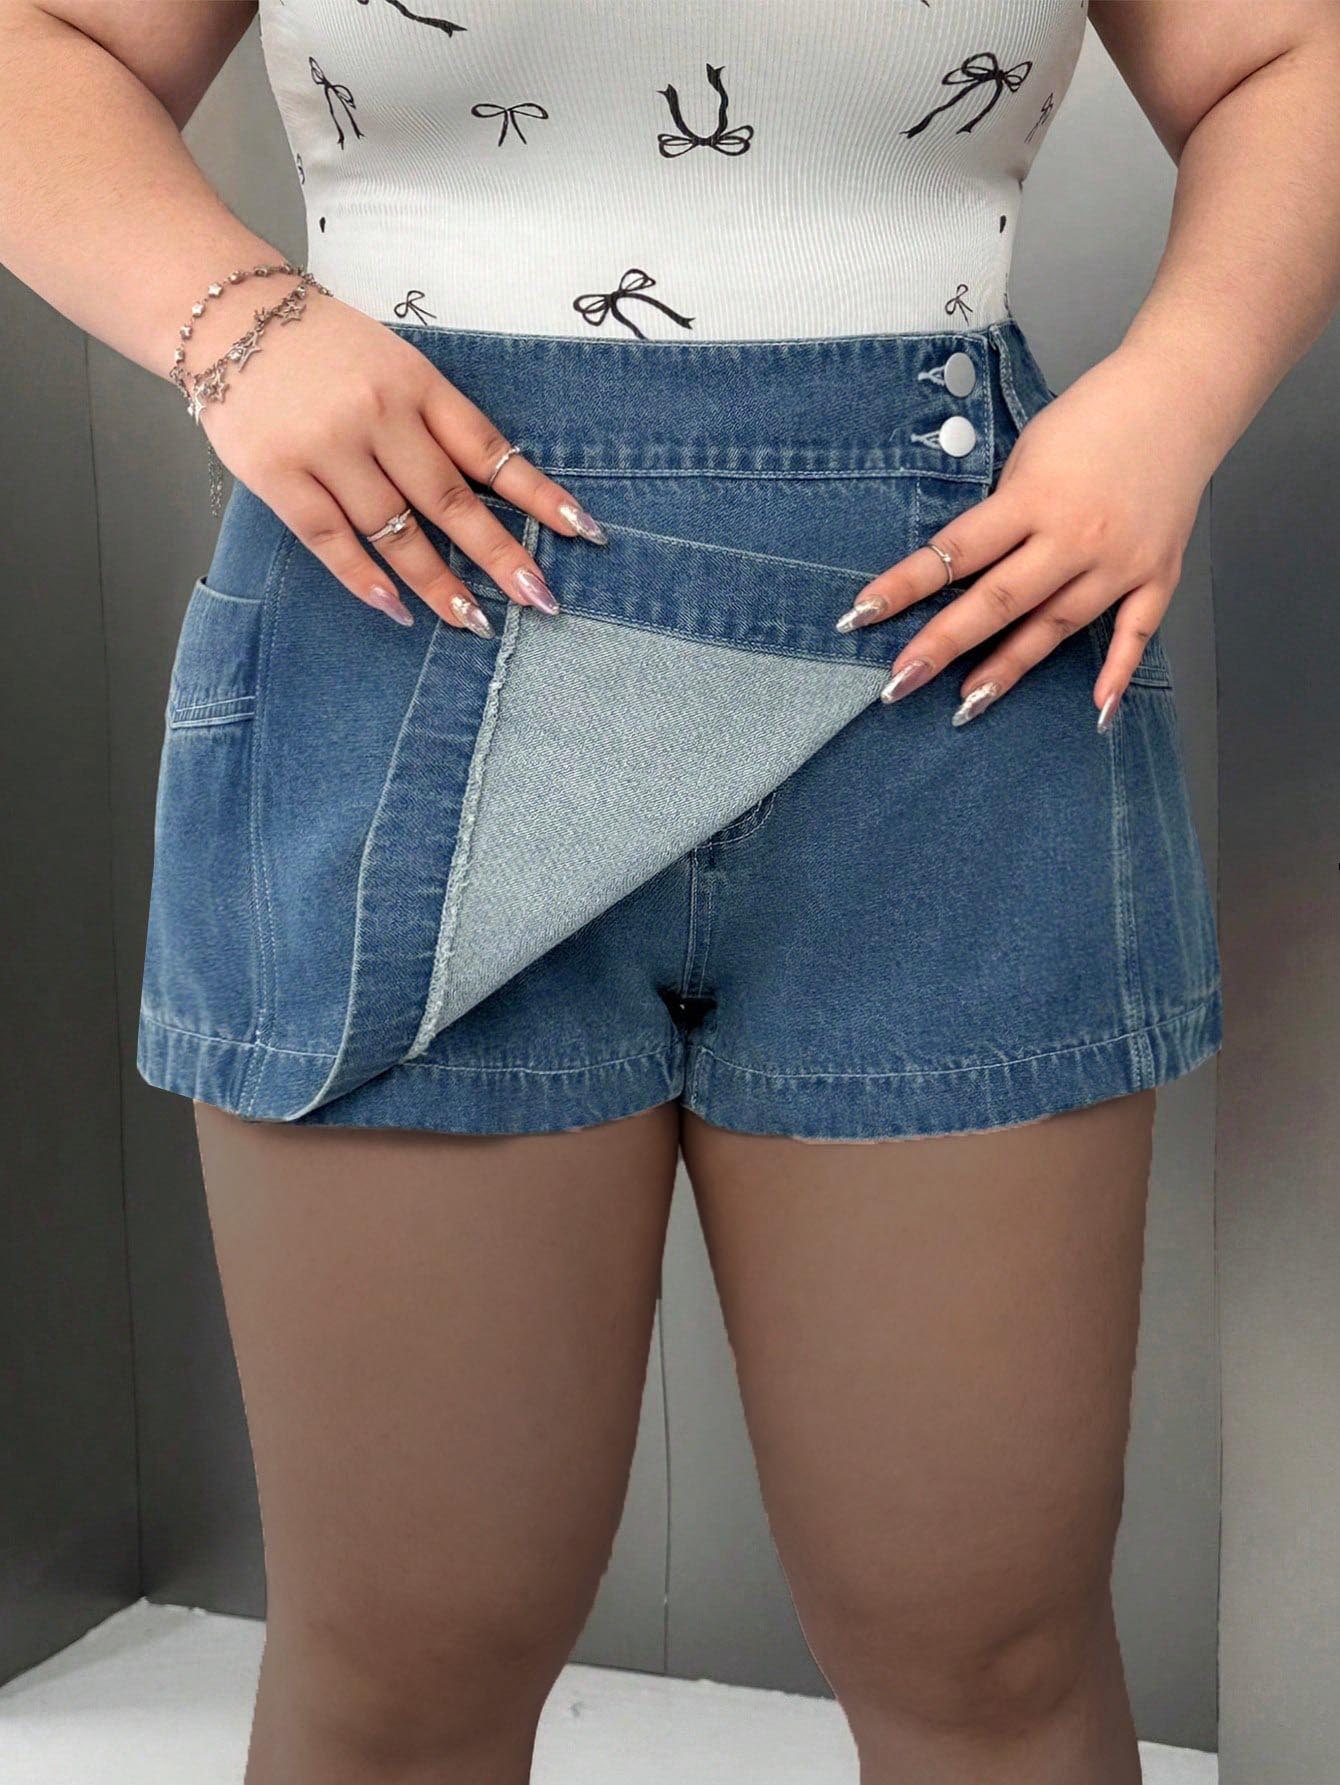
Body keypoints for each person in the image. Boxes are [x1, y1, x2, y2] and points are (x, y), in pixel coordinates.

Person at [3, 3, 1337, 1781]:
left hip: (961, 654)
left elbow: (1286, 56)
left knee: (993, 1659)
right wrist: (235, 328)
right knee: (403, 1666)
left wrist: (1176, 397)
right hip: (404, 637)